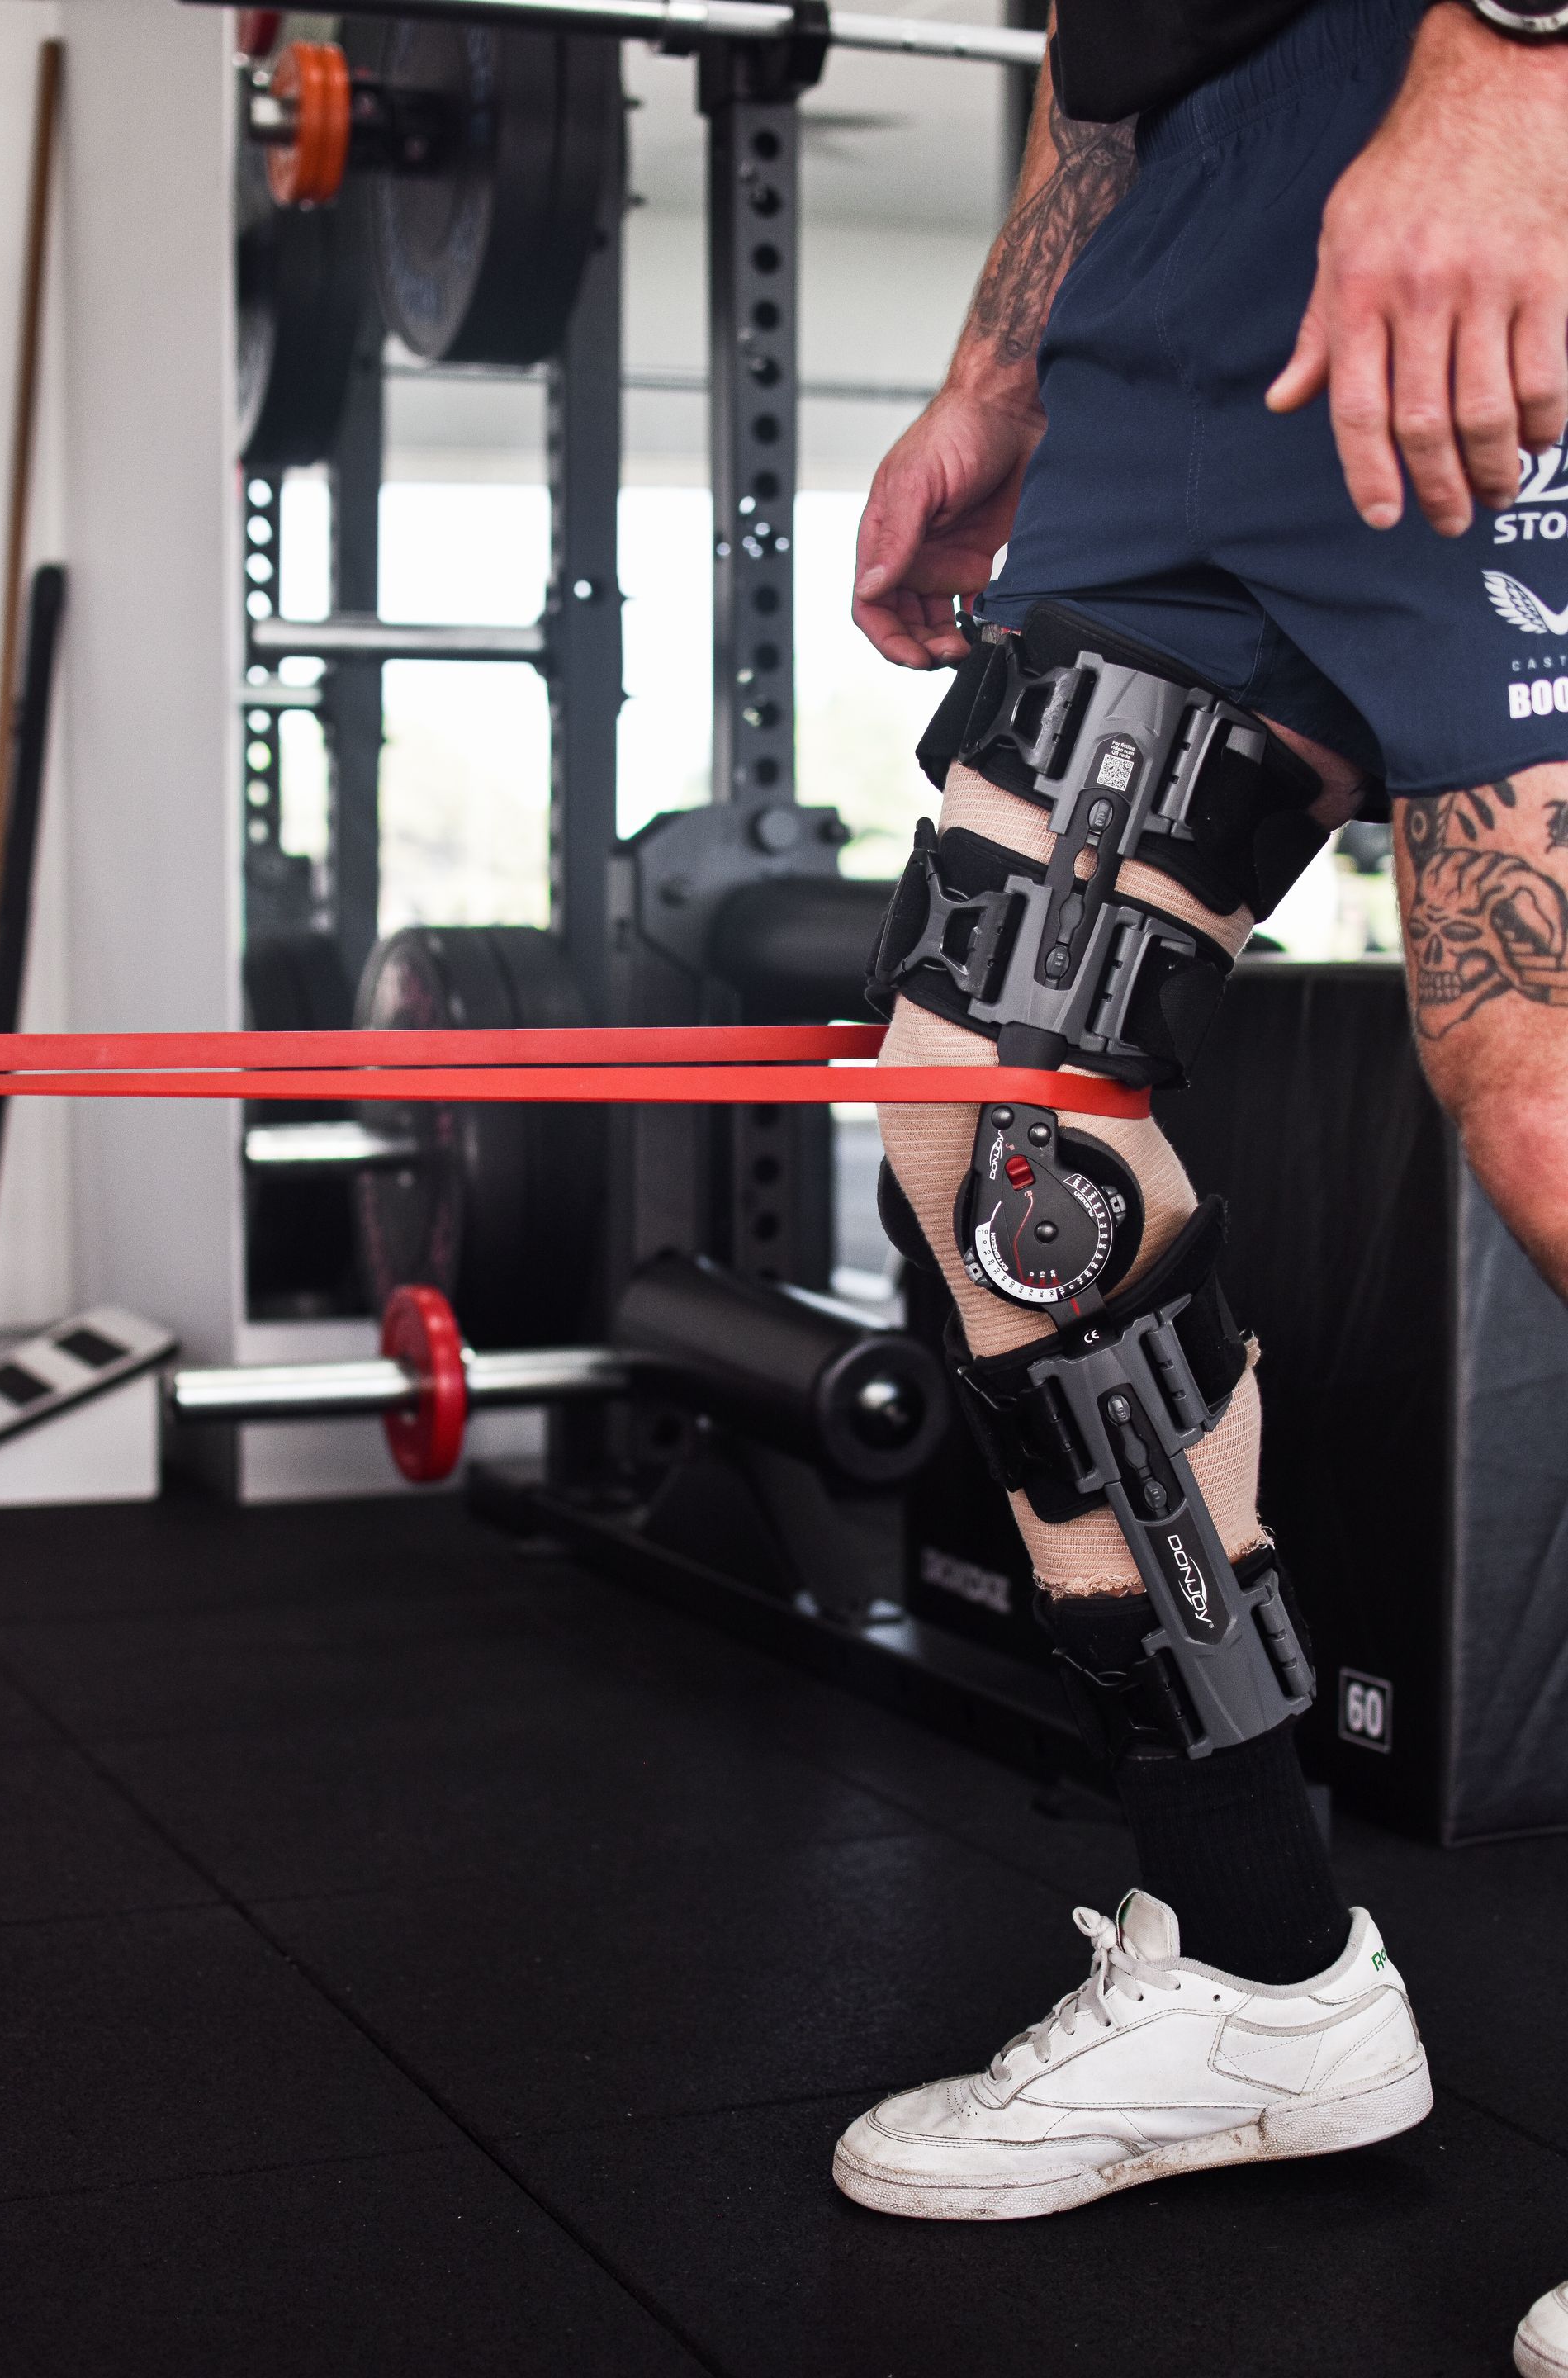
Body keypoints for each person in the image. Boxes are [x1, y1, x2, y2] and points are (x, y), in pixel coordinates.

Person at [833, 2, 1568, 2368]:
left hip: (1491, 204)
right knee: (1000, 1120)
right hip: (1189, 300)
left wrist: (1516, 75)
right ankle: (1261, 1970)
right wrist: (1007, 361)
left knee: (1545, 1092)